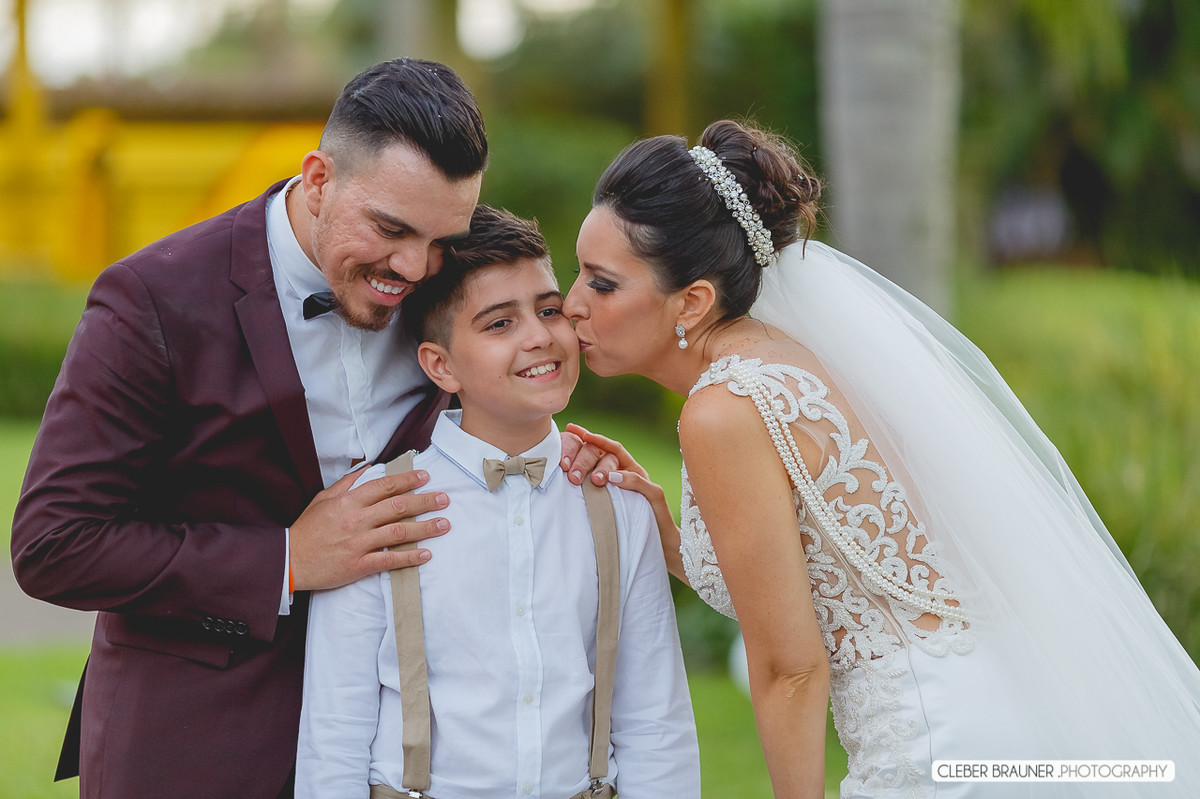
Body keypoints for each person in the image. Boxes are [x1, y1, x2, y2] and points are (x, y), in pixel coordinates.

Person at [9, 59, 606, 799]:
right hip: (192, 743)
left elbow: (497, 385)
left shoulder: (435, 286)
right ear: (319, 178)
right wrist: (287, 558)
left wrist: (560, 454)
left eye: (440, 239)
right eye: (390, 229)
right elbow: (54, 543)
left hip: (393, 749)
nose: (414, 266)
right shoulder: (151, 300)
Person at [561, 119, 1200, 797]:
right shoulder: (791, 362)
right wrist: (667, 532)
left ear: (691, 301)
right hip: (998, 707)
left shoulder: (722, 410)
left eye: (601, 284)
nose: (570, 304)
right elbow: (830, 578)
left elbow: (790, 665)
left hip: (932, 740)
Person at [296, 205, 700, 798]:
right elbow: (334, 733)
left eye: (548, 310)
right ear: (440, 365)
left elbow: (655, 722)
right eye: (498, 324)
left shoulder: (617, 507)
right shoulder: (380, 509)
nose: (539, 336)